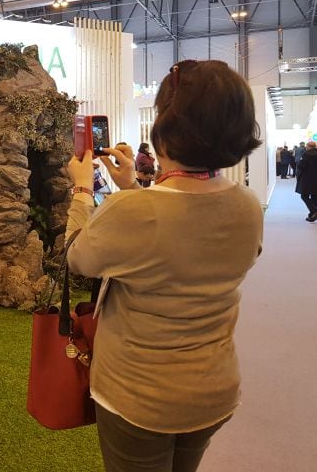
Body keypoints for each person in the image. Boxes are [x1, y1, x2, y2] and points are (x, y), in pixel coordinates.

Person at [64, 60, 263, 472]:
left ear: (167, 126)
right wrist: (134, 187)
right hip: (214, 389)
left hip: (140, 398)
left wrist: (82, 189)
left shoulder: (133, 211)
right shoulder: (248, 206)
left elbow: (76, 256)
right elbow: (182, 232)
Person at [295, 140, 317, 222]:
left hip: (307, 180)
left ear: (308, 147)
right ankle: (312, 215)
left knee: (304, 196)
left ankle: (314, 211)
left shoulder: (306, 155)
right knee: (315, 197)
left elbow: (301, 166)